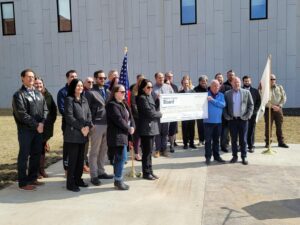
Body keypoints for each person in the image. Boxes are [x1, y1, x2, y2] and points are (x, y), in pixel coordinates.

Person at [12, 69, 48, 191]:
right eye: (28, 77)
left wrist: (42, 123)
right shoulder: (18, 95)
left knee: (36, 154)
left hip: (38, 130)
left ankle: (32, 178)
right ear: (22, 78)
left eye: (33, 77)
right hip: (26, 131)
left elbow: (45, 110)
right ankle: (23, 182)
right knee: (24, 156)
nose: (31, 79)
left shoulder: (38, 94)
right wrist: (36, 125)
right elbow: (21, 114)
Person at [85, 70, 113, 186]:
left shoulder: (107, 91)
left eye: (104, 78)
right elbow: (87, 110)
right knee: (94, 151)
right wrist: (90, 124)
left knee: (104, 150)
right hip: (97, 124)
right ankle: (94, 175)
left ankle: (101, 171)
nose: (103, 80)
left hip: (107, 124)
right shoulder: (90, 92)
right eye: (100, 78)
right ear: (95, 79)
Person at [64, 79, 92, 192]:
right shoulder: (69, 100)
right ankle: (70, 183)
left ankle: (78, 179)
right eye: (77, 85)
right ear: (73, 87)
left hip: (84, 134)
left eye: (81, 85)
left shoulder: (84, 99)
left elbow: (89, 115)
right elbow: (69, 117)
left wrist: (88, 126)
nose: (80, 87)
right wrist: (81, 128)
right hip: (73, 134)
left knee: (81, 159)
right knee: (73, 160)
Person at [106, 85, 135, 190]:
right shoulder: (111, 105)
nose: (124, 94)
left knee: (122, 158)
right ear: (115, 93)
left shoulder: (124, 103)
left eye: (125, 92)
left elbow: (130, 117)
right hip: (116, 136)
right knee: (121, 158)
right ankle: (118, 180)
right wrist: (128, 128)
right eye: (122, 92)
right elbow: (118, 120)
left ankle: (117, 179)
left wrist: (132, 126)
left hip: (124, 135)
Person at [223, 77, 254, 165]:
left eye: (238, 82)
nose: (237, 84)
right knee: (233, 139)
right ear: (232, 83)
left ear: (240, 83)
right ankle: (234, 156)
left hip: (243, 120)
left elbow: (251, 105)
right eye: (235, 82)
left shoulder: (246, 92)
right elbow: (224, 107)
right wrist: (227, 116)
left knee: (243, 140)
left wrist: (248, 116)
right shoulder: (227, 94)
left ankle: (244, 157)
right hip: (232, 120)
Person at [137, 79, 162, 180]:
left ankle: (150, 171)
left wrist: (158, 100)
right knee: (146, 152)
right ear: (143, 87)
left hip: (152, 127)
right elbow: (150, 113)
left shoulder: (149, 96)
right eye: (148, 87)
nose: (150, 89)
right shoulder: (142, 98)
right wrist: (160, 114)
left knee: (150, 152)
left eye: (151, 87)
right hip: (146, 128)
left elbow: (154, 109)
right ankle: (146, 173)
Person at [34, 76, 57, 178]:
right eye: (36, 84)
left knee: (42, 149)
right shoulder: (30, 95)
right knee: (35, 150)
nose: (38, 85)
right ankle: (36, 172)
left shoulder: (48, 95)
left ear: (43, 85)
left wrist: (50, 122)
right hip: (34, 127)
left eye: (40, 84)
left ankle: (42, 169)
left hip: (46, 127)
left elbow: (53, 110)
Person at [57, 70, 78, 173]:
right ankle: (67, 168)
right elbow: (62, 109)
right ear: (67, 78)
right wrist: (73, 119)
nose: (73, 78)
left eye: (75, 76)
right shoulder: (62, 92)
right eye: (71, 76)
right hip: (67, 124)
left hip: (79, 124)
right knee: (68, 146)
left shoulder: (79, 91)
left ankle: (78, 166)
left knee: (77, 146)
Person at [204, 80, 226, 165]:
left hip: (218, 122)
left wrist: (212, 100)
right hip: (207, 122)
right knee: (208, 141)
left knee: (216, 140)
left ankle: (216, 156)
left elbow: (223, 105)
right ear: (211, 86)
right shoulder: (205, 95)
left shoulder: (221, 95)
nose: (216, 88)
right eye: (214, 86)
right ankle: (208, 157)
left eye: (218, 86)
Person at [152, 72, 174, 157]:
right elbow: (149, 100)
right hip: (157, 113)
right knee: (157, 132)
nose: (161, 79)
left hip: (166, 114)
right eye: (159, 77)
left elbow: (173, 97)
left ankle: (164, 150)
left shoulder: (168, 87)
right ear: (156, 78)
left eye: (162, 77)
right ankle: (157, 150)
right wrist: (155, 97)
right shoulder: (152, 88)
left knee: (165, 133)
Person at [264, 74, 289, 148]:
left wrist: (279, 106)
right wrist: (272, 106)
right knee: (268, 127)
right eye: (270, 79)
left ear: (275, 80)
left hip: (278, 109)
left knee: (279, 126)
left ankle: (281, 142)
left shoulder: (280, 87)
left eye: (273, 79)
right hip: (268, 109)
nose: (272, 81)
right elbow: (264, 100)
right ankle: (268, 143)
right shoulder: (265, 88)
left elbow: (284, 98)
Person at [242, 75, 261, 152]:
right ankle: (242, 145)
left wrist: (254, 112)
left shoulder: (255, 91)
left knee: (251, 130)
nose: (247, 82)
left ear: (251, 81)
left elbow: (258, 102)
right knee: (242, 131)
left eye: (248, 81)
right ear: (243, 82)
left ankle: (251, 145)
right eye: (245, 81)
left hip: (252, 115)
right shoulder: (240, 90)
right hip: (242, 115)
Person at [220, 70, 236, 152]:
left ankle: (234, 145)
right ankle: (224, 146)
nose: (231, 76)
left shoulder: (237, 84)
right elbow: (222, 99)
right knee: (225, 131)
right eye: (229, 75)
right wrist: (225, 113)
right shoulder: (223, 86)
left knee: (234, 131)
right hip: (226, 112)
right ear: (227, 76)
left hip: (236, 113)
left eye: (232, 75)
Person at [130, 74, 145, 161]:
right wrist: (139, 113)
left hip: (145, 115)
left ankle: (143, 151)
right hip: (137, 116)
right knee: (137, 135)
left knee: (144, 135)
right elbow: (133, 104)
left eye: (143, 80)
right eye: (140, 80)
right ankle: (136, 153)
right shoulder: (134, 89)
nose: (141, 82)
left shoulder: (146, 88)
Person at [179, 78, 196, 149]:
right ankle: (185, 144)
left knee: (192, 129)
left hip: (192, 114)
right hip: (184, 114)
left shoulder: (193, 92)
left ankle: (192, 143)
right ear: (182, 84)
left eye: (187, 83)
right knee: (185, 129)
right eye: (184, 83)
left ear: (189, 84)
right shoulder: (180, 93)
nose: (186, 85)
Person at [82, 76, 94, 173]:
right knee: (84, 145)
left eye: (92, 82)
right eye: (88, 82)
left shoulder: (93, 92)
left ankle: (86, 162)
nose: (90, 84)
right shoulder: (82, 93)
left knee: (90, 145)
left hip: (92, 123)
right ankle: (83, 164)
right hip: (83, 124)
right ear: (84, 83)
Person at [165, 71, 179, 152]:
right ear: (165, 77)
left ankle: (172, 145)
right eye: (168, 76)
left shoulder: (175, 87)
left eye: (171, 77)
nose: (170, 78)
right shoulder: (162, 86)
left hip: (173, 111)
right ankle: (162, 147)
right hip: (164, 112)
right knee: (164, 130)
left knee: (172, 129)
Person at [194, 75, 208, 146]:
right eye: (202, 81)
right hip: (199, 111)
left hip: (207, 111)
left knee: (207, 126)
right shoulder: (195, 89)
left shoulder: (209, 89)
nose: (203, 82)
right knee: (200, 126)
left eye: (205, 81)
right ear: (199, 82)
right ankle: (201, 140)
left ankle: (207, 140)